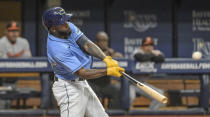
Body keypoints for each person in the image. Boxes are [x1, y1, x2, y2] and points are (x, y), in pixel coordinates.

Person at [42, 7, 124, 117]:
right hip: (69, 87)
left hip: (81, 83)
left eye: (66, 20)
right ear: (53, 29)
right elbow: (82, 72)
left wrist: (105, 58)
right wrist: (107, 71)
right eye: (62, 22)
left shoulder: (68, 27)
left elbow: (87, 44)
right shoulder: (56, 48)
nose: (67, 23)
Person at [88, 31, 123, 109]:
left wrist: (113, 55)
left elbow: (120, 56)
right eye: (101, 40)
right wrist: (105, 55)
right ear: (96, 42)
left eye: (105, 40)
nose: (103, 43)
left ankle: (112, 114)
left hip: (106, 84)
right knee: (88, 92)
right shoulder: (91, 51)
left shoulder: (111, 52)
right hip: (93, 84)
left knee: (118, 90)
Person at [131, 37, 165, 110]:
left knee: (160, 95)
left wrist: (153, 54)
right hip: (130, 83)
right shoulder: (137, 52)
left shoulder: (151, 54)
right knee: (130, 97)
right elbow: (140, 57)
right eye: (146, 45)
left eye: (151, 45)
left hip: (141, 84)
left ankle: (151, 113)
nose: (149, 47)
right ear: (142, 47)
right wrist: (153, 53)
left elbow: (161, 58)